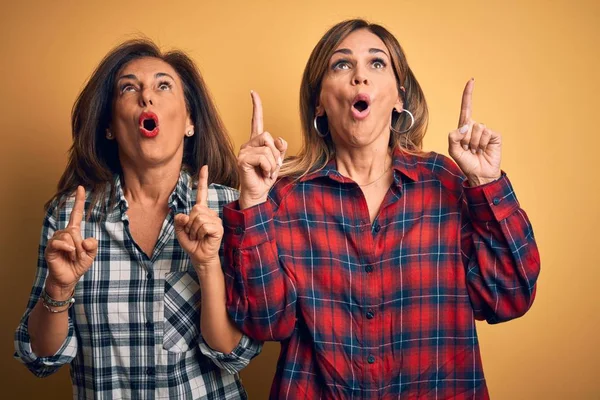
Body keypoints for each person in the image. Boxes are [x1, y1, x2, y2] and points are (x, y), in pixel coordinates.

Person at [222, 19, 540, 399]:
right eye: (341, 65)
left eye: (377, 64)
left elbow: (510, 297)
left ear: (399, 97)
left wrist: (486, 184)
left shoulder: (444, 181)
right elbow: (264, 322)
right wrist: (253, 202)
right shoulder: (285, 197)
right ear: (319, 101)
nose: (360, 77)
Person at [14, 39, 261, 399]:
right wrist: (59, 289)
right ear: (110, 125)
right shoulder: (69, 217)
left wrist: (208, 264)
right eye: (129, 88)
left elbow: (232, 354)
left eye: (163, 86)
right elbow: (41, 357)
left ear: (190, 120)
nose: (147, 97)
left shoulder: (229, 210)